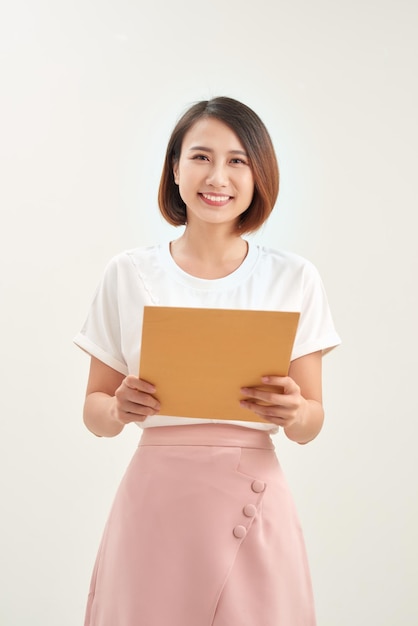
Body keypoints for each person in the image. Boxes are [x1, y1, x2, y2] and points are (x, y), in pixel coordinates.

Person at [74, 96, 341, 626]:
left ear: (259, 174)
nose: (217, 176)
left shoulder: (293, 277)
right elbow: (94, 412)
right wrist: (120, 407)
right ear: (175, 169)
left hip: (252, 498)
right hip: (155, 504)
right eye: (200, 157)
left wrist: (294, 411)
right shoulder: (128, 273)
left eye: (238, 160)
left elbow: (311, 424)